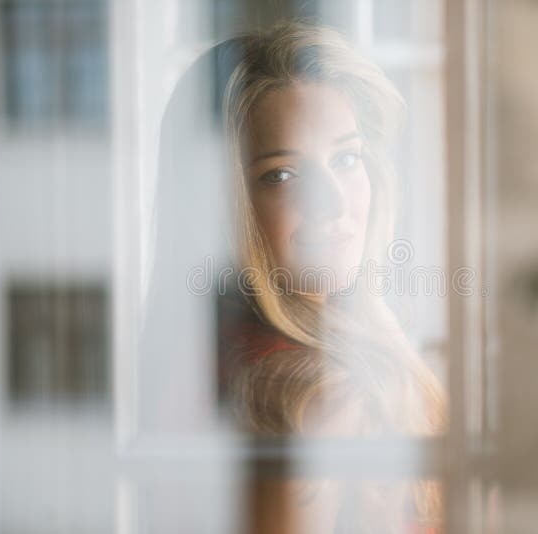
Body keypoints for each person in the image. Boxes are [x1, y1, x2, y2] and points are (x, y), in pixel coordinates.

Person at [159, 20, 446, 534]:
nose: (334, 201)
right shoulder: (319, 397)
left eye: (347, 158)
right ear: (221, 207)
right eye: (282, 175)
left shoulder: (207, 357)